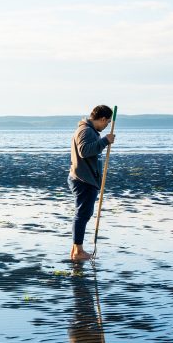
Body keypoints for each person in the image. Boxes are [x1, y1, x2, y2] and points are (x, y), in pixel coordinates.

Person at [69, 105, 116, 261]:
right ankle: (78, 252)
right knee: (82, 215)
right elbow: (84, 151)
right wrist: (104, 141)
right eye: (107, 122)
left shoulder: (89, 130)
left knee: (84, 214)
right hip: (83, 179)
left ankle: (76, 248)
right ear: (102, 118)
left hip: (87, 178)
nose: (107, 125)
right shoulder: (86, 131)